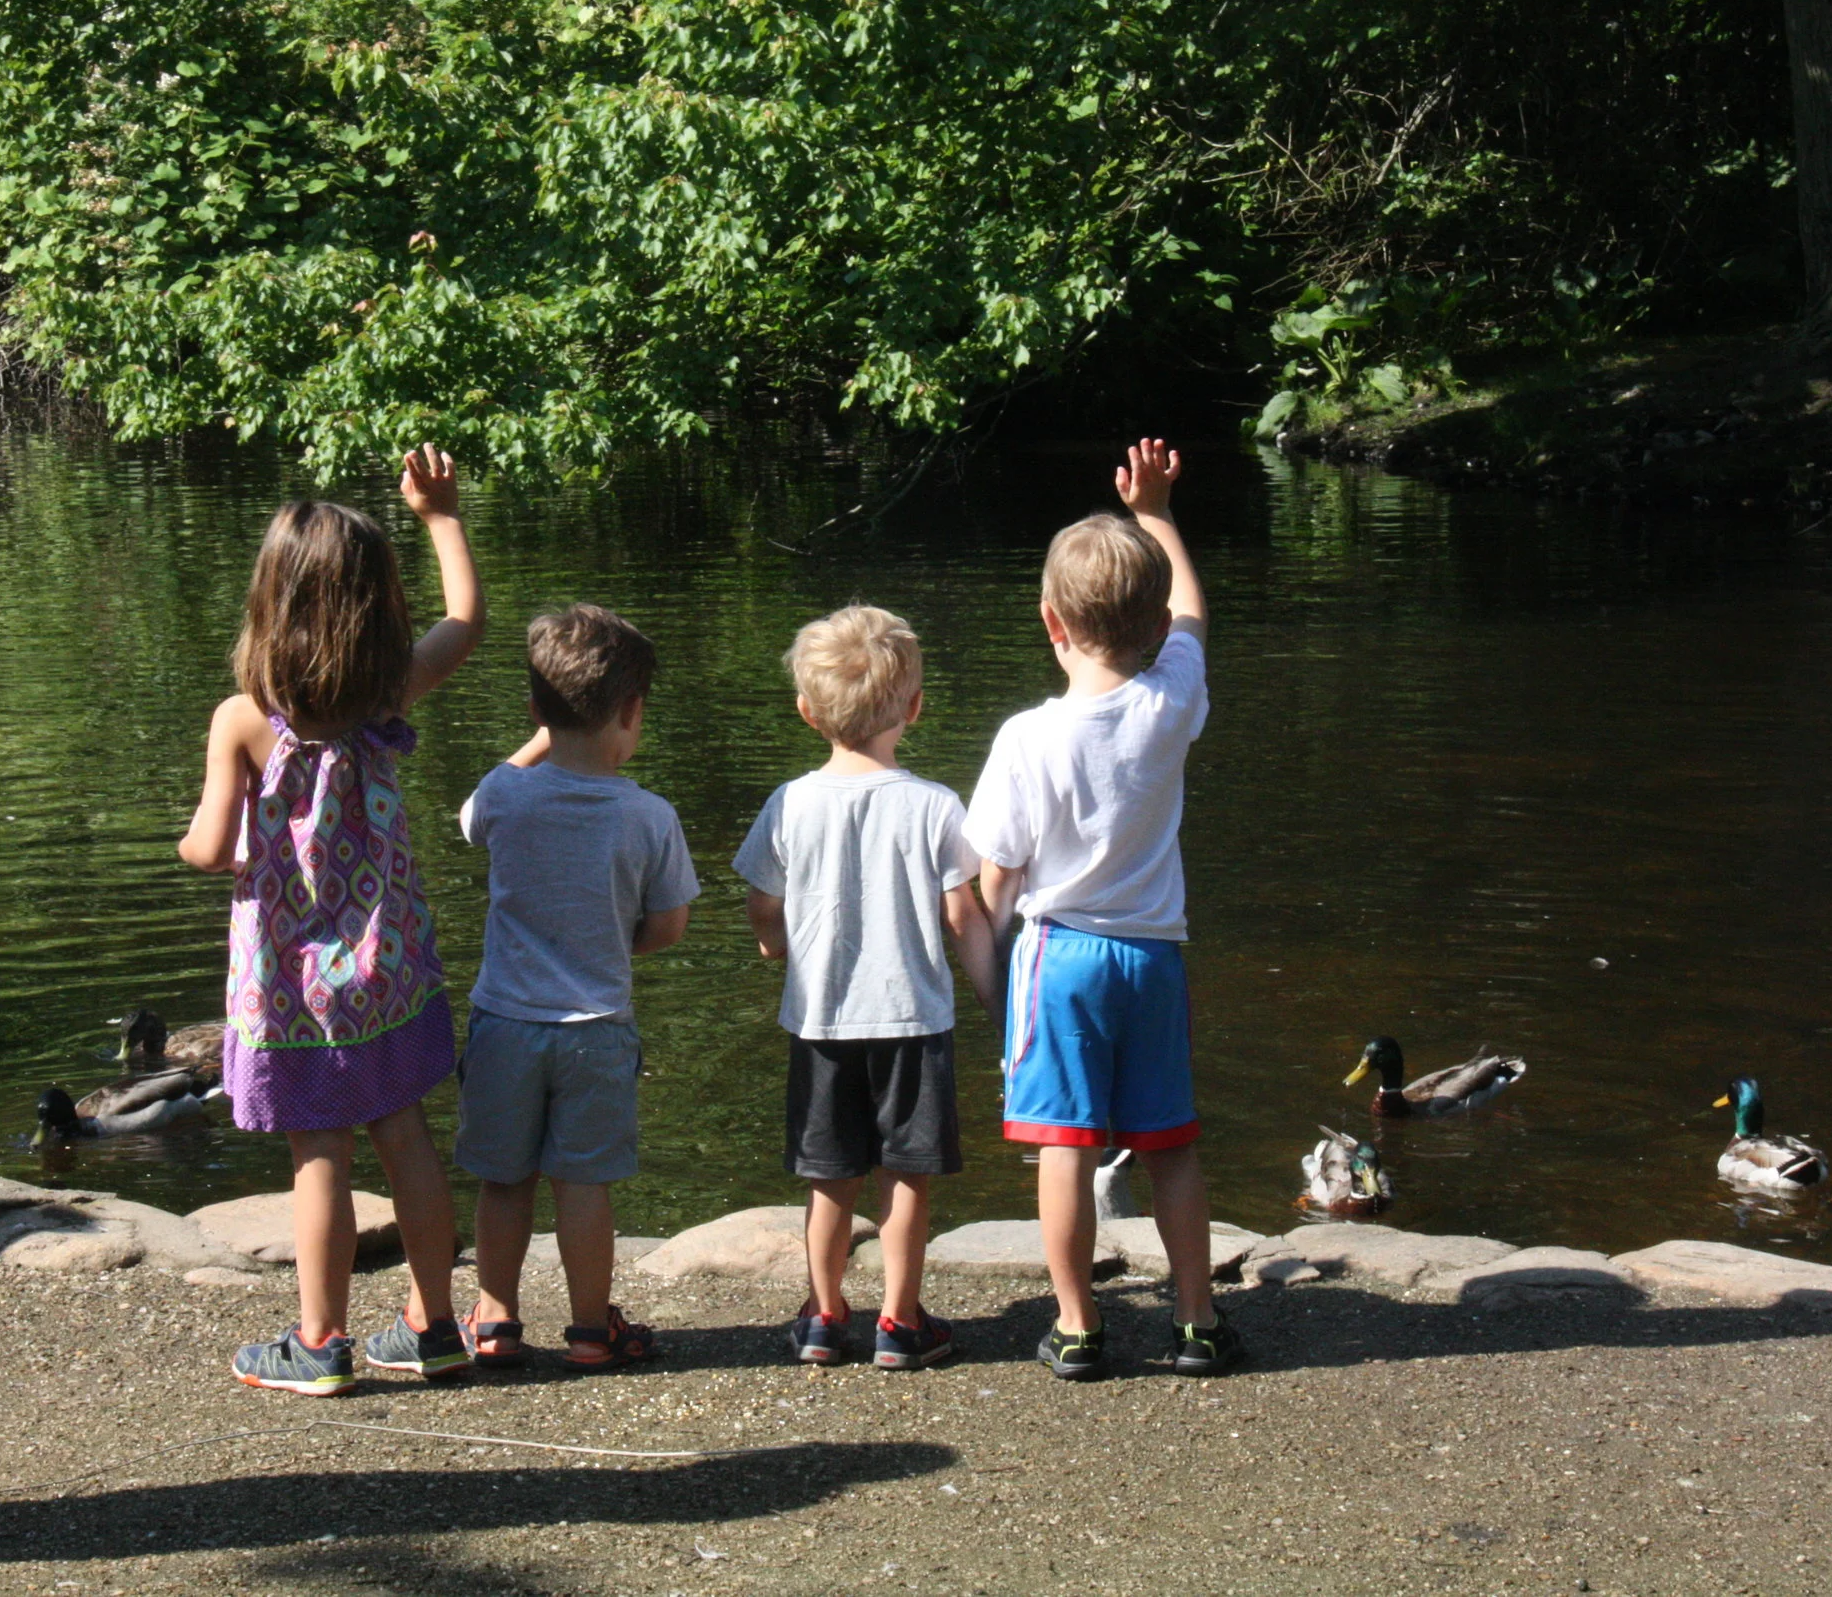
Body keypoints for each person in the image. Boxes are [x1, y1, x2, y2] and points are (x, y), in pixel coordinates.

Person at [177, 448, 485, 1396]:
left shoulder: (243, 719)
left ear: (268, 604)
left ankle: (321, 1341)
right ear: (375, 610)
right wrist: (440, 516)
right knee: (407, 1135)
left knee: (319, 1152)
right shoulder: (383, 701)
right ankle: (434, 1327)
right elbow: (466, 622)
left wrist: (227, 844)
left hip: (287, 980)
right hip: (384, 964)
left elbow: (207, 845)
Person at [963, 437, 1243, 1382]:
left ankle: (1079, 1326)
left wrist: (983, 971)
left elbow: (996, 879)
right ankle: (1198, 1321)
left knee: (1066, 1147)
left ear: (1050, 622)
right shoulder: (1171, 701)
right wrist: (1158, 511)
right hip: (1153, 957)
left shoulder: (1025, 737)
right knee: (1170, 1145)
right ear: (1154, 628)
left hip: (1062, 959)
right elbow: (1195, 615)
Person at [734, 606, 1000, 1369]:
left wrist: (774, 942)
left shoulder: (790, 802)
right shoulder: (936, 805)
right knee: (907, 1174)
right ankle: (899, 1319)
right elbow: (964, 914)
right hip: (913, 1019)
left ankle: (823, 1317)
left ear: (807, 711)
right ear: (913, 707)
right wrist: (1001, 1005)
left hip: (820, 1022)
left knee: (829, 1178)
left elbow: (761, 897)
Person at [453, 603, 697, 1369]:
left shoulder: (503, 794)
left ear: (534, 710)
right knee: (585, 1183)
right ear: (632, 712)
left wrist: (543, 736)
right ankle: (592, 1328)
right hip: (597, 1027)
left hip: (504, 1024)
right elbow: (669, 926)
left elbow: (469, 814)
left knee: (503, 1179)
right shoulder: (649, 815)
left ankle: (495, 1321)